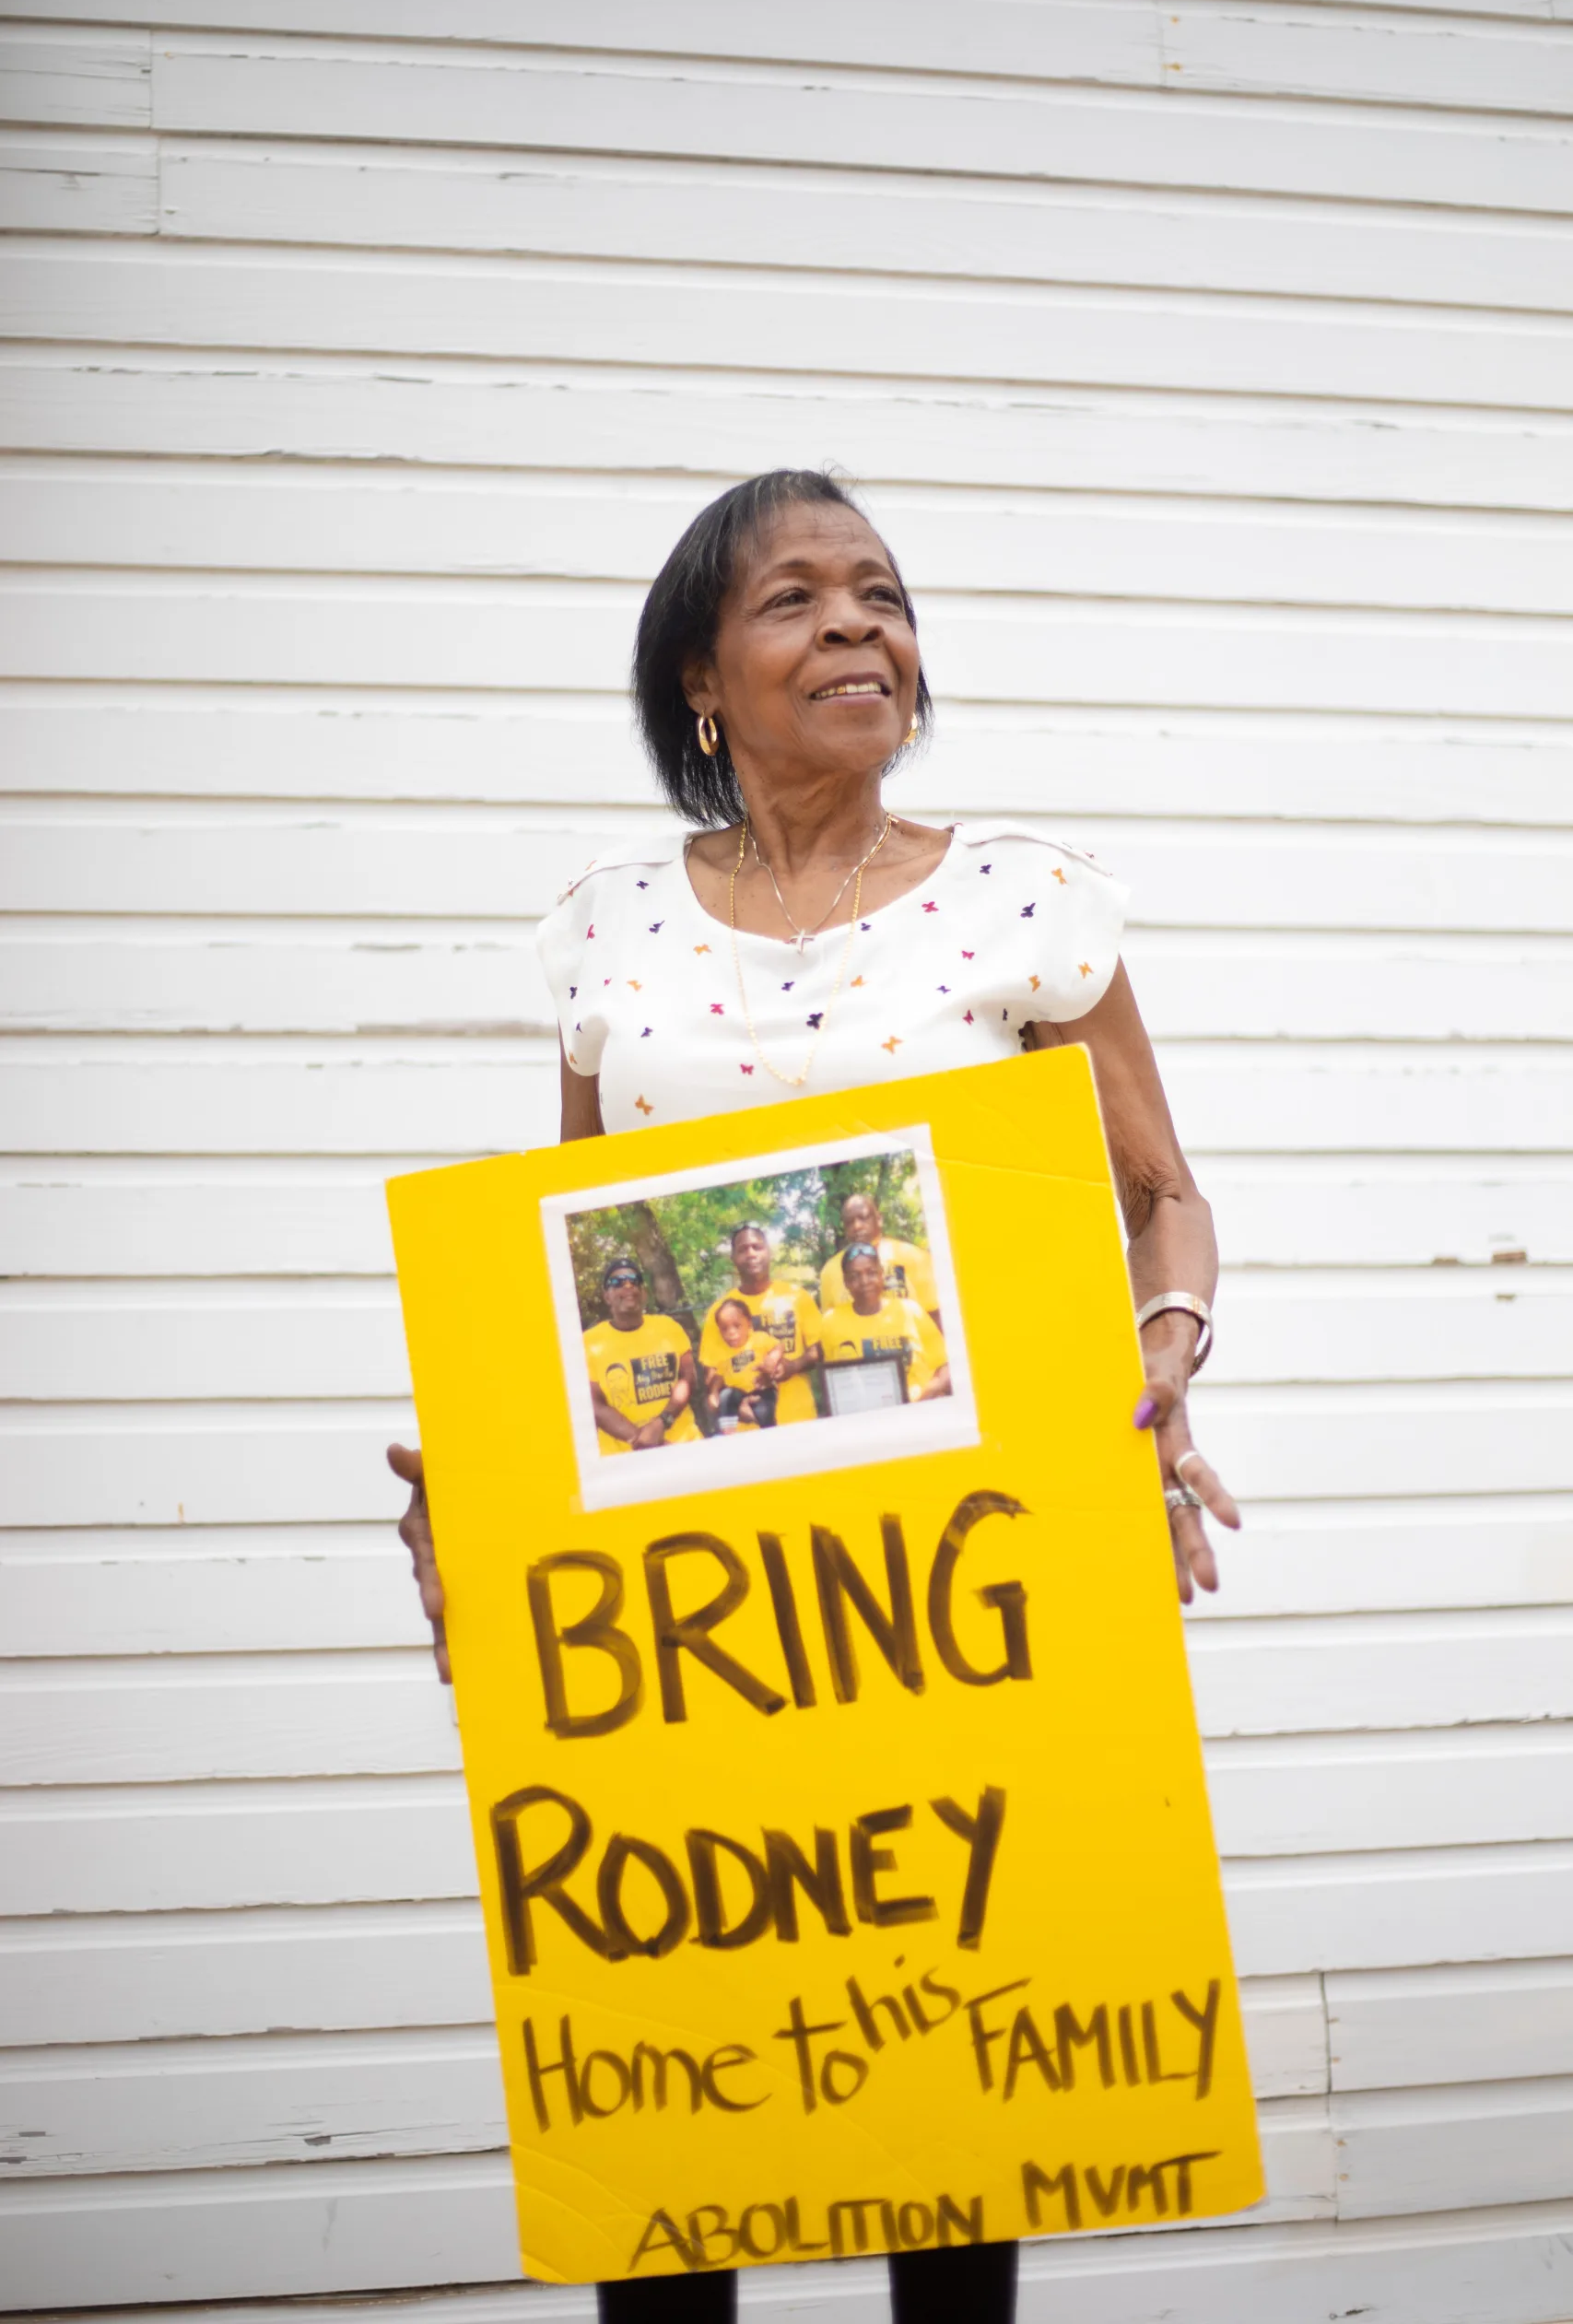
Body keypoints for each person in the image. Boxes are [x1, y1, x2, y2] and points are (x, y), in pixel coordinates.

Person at [391, 467, 1238, 2324]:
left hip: (956, 1570)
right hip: (695, 1597)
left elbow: (1158, 1189)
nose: (858, 623)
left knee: (954, 2066)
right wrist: (475, 1475)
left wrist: (1158, 1351)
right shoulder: (606, 927)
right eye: (793, 598)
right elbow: (569, 1249)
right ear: (699, 678)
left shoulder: (1022, 897)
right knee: (691, 2087)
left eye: (883, 593)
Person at [696, 1221, 822, 1424]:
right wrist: (736, 1404)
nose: (751, 1254)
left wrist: (793, 1366)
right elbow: (712, 1374)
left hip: (799, 1419)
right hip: (747, 1428)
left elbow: (818, 1350)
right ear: (733, 1259)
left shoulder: (797, 1296)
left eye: (757, 1247)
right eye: (743, 1250)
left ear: (769, 1252)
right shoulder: (720, 1312)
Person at [580, 1257, 700, 1454]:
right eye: (617, 1282)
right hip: (625, 1459)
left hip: (685, 1445)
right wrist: (640, 1439)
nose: (628, 1286)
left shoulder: (669, 1327)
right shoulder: (588, 1343)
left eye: (634, 1281)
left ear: (643, 1293)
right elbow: (593, 1403)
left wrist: (662, 1422)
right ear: (607, 1296)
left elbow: (687, 1379)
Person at [820, 1239, 950, 1403]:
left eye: (871, 1273)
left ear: (882, 1274)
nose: (864, 1281)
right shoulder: (831, 1322)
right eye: (855, 1276)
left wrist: (922, 1399)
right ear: (846, 1282)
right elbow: (833, 1381)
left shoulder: (911, 1311)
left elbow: (945, 1367)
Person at [817, 1191, 940, 1321]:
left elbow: (936, 1316)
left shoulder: (914, 1258)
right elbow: (830, 1325)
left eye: (863, 1218)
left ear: (879, 1219)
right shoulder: (830, 1271)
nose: (857, 1226)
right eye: (849, 1222)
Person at [704, 1293, 783, 1431]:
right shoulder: (724, 1352)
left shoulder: (759, 1339)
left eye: (737, 1326)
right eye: (725, 1329)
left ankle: (771, 1434)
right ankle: (728, 1433)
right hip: (737, 1392)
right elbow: (719, 1376)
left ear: (749, 1323)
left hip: (761, 1388)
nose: (731, 1333)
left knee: (764, 1411)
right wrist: (714, 1392)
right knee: (726, 1397)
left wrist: (772, 1359)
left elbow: (779, 1346)